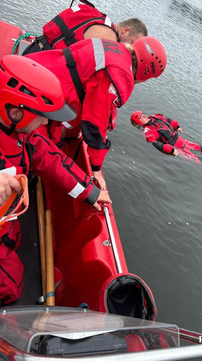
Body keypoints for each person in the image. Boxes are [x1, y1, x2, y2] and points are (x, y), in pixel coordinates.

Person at [0, 55, 111, 305]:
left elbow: (54, 161)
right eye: (42, 115)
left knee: (14, 241)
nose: (47, 122)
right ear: (16, 112)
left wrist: (89, 193)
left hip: (7, 220)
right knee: (11, 286)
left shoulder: (26, 139)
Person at [25, 36, 167, 189]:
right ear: (146, 72)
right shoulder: (117, 75)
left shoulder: (112, 47)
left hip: (39, 71)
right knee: (30, 152)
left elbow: (84, 83)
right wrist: (96, 168)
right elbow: (95, 121)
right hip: (40, 99)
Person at [130, 111, 202, 190]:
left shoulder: (155, 117)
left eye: (143, 114)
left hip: (183, 141)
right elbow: (155, 144)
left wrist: (177, 126)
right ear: (139, 122)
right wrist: (171, 150)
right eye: (141, 117)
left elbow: (168, 120)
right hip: (179, 149)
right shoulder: (148, 131)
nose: (144, 116)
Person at [22, 0, 148, 54]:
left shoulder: (99, 17)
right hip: (41, 62)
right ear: (125, 31)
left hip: (35, 47)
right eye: (132, 43)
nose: (131, 49)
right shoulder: (110, 39)